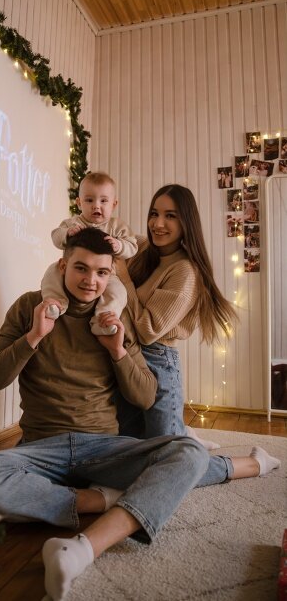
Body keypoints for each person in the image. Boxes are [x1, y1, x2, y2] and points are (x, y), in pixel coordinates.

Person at [0, 228, 280, 601]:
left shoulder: (114, 316)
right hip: (40, 447)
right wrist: (33, 336)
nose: (91, 281)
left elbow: (145, 396)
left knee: (188, 451)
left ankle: (86, 543)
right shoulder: (29, 307)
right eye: (81, 268)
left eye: (101, 272)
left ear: (111, 274)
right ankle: (102, 499)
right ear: (62, 266)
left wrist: (117, 351)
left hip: (104, 449)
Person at [114, 184, 238, 449]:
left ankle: (252, 463)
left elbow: (147, 330)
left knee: (166, 452)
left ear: (186, 222)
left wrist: (124, 278)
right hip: (128, 356)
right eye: (154, 214)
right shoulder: (143, 248)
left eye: (170, 216)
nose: (158, 224)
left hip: (158, 360)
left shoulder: (185, 271)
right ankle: (184, 433)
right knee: (131, 445)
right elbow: (111, 233)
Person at [41, 171, 138, 335]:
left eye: (103, 201)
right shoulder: (73, 223)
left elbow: (132, 246)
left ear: (114, 204)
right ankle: (55, 303)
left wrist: (119, 245)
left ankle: (103, 319)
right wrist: (67, 234)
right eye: (89, 200)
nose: (96, 206)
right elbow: (55, 237)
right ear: (79, 203)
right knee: (51, 272)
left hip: (107, 275)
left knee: (119, 292)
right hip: (71, 271)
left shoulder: (117, 227)